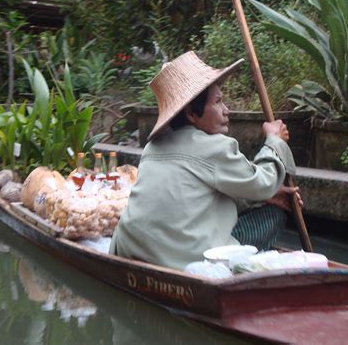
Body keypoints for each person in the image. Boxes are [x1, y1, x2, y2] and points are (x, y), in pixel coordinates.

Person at [110, 51, 302, 270]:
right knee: (276, 213)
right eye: (218, 102)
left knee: (262, 203)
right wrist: (274, 141)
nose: (226, 110)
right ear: (192, 114)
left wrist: (264, 197)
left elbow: (200, 198)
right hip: (190, 260)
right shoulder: (218, 147)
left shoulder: (151, 149)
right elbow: (265, 183)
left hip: (129, 248)